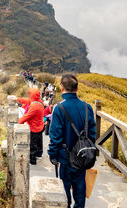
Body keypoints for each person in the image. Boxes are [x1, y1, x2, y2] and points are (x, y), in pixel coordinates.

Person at [48, 74, 96, 208]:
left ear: (61, 88)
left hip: (65, 157)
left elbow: (55, 136)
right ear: (77, 88)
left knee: (64, 188)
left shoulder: (59, 108)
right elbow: (92, 134)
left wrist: (52, 154)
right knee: (80, 186)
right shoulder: (88, 108)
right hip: (82, 156)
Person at [16, 88, 45, 165]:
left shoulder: (34, 107)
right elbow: (28, 100)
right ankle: (39, 154)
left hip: (34, 127)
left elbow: (27, 116)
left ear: (32, 95)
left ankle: (33, 159)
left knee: (33, 143)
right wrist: (17, 99)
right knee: (39, 141)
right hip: (40, 125)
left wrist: (17, 122)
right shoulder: (39, 101)